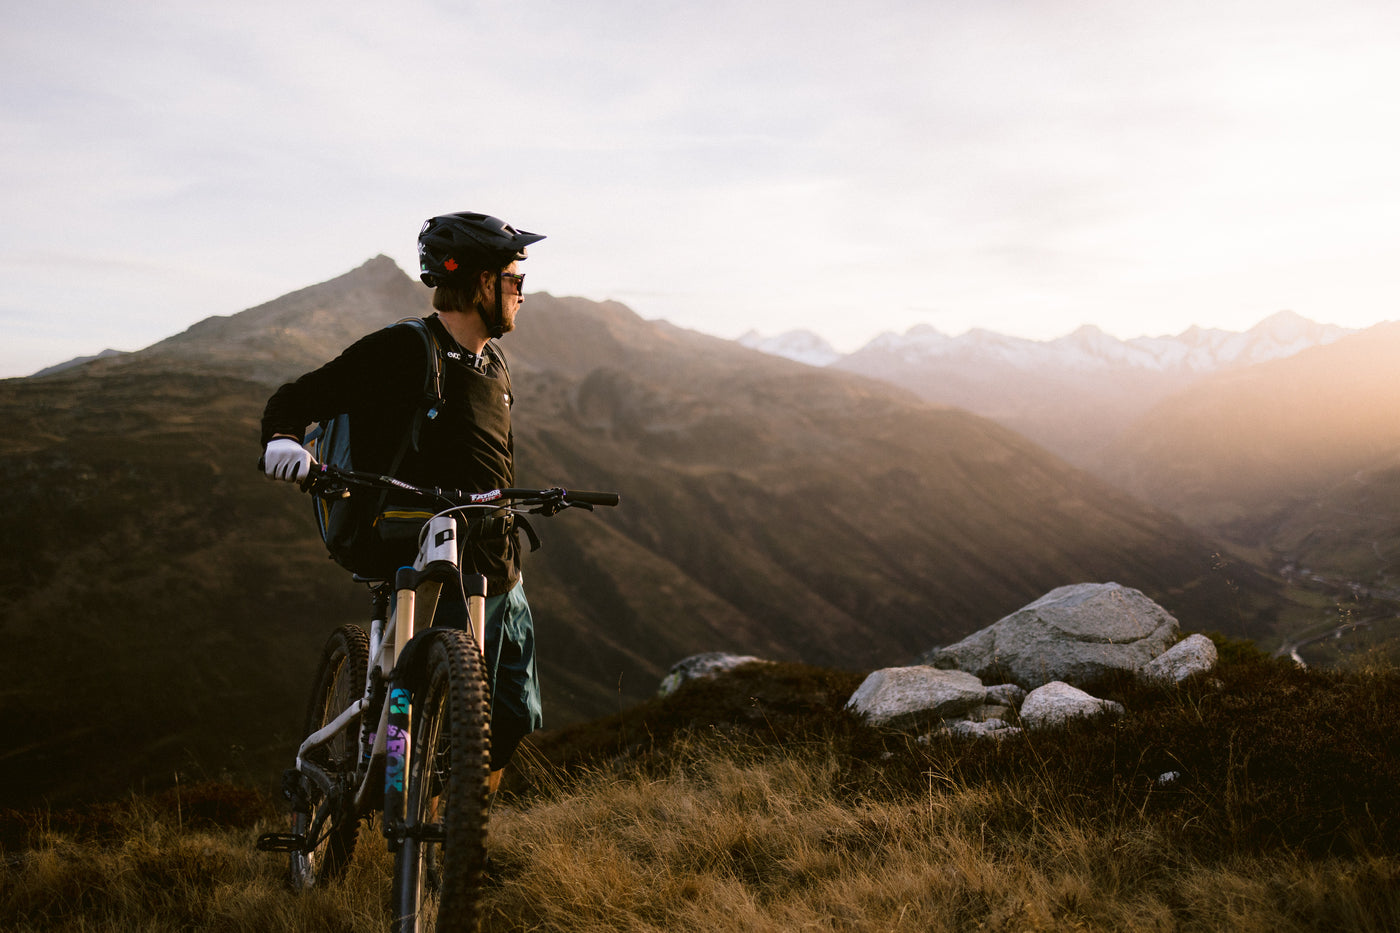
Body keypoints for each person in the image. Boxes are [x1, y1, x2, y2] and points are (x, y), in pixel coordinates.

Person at [260, 211, 545, 792]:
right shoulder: (405, 348)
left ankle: (455, 826)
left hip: (496, 563)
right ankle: (413, 828)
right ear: (479, 283)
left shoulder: (494, 364)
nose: (521, 292)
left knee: (510, 716)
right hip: (422, 554)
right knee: (409, 716)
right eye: (513, 278)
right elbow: (300, 396)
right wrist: (282, 440)